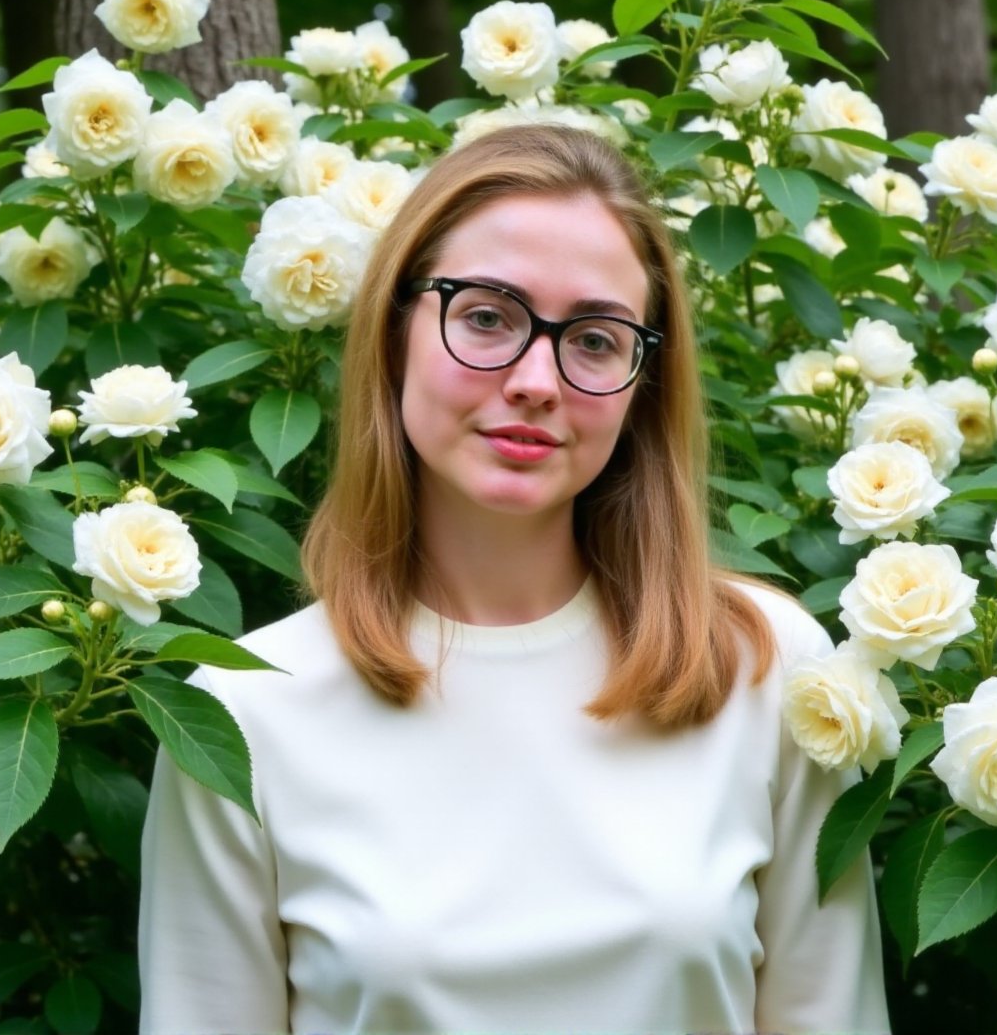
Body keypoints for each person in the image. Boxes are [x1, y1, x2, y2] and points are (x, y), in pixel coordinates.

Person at [138, 124, 890, 1034]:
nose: (538, 379)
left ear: (641, 381)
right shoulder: (243, 714)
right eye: (488, 316)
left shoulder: (766, 673)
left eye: (596, 339)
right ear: (395, 332)